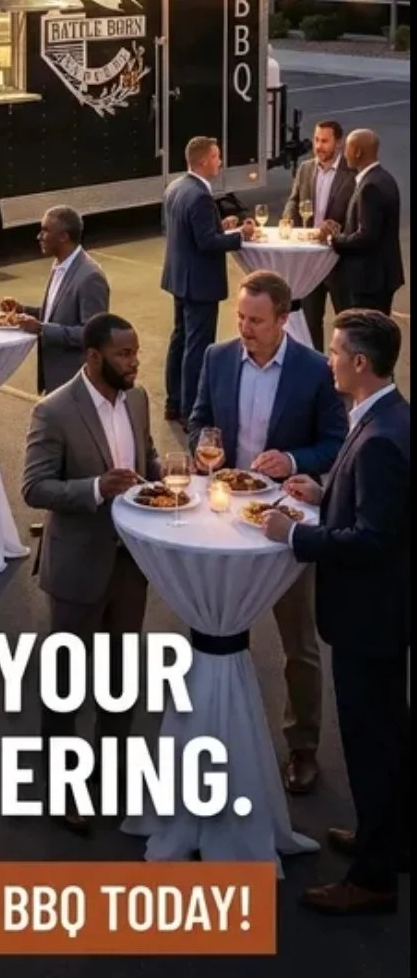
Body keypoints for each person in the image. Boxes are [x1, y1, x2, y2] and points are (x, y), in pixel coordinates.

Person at [264, 310, 409, 916]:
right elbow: (377, 509)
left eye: (335, 351)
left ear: (360, 363)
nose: (326, 358)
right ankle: (386, 840)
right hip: (382, 618)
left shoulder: (379, 439)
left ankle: (373, 879)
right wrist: (326, 494)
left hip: (370, 620)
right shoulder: (386, 418)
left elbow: (374, 539)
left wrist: (295, 537)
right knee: (387, 739)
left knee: (371, 743)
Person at [188, 270, 348, 794]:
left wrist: (296, 459)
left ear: (284, 320)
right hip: (222, 512)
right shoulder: (217, 357)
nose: (245, 328)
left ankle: (302, 747)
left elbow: (335, 440)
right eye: (240, 317)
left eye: (256, 320)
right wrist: (199, 446)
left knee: (298, 641)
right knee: (213, 626)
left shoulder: (312, 369)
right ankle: (212, 732)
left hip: (283, 523)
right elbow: (200, 418)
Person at [22, 313, 160, 835]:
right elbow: (35, 488)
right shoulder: (54, 411)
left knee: (120, 677)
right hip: (78, 564)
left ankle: (112, 768)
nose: (134, 362)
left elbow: (145, 458)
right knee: (67, 683)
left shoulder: (139, 398)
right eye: (124, 355)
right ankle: (61, 788)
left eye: (136, 352)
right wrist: (96, 489)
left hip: (130, 563)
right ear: (93, 357)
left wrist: (164, 480)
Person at [161, 136, 255, 426]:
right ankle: (191, 411)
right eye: (216, 157)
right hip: (200, 283)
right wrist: (241, 236)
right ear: (203, 161)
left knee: (180, 340)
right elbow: (206, 243)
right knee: (197, 347)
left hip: (179, 277)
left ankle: (173, 402)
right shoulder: (200, 195)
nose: (220, 161)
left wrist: (220, 225)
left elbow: (188, 230)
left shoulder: (177, 187)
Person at [1, 206, 110, 395]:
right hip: (55, 381)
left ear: (63, 237)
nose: (39, 236)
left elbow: (92, 334)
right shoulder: (60, 265)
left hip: (75, 384)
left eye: (45, 230)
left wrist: (42, 329)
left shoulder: (90, 277)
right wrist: (21, 310)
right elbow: (56, 315)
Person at [282, 119, 355, 349]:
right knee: (310, 321)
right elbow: (294, 201)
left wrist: (338, 229)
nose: (319, 146)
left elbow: (356, 216)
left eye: (325, 141)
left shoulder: (352, 174)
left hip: (338, 259)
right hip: (310, 260)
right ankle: (317, 374)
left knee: (346, 321)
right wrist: (287, 218)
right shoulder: (305, 168)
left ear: (339, 143)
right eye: (316, 140)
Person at [319, 130, 404, 317]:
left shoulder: (369, 186)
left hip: (368, 281)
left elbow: (366, 236)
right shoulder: (384, 178)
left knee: (365, 336)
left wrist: (333, 239)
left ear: (357, 152)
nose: (345, 154)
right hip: (379, 277)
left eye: (348, 148)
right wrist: (342, 229)